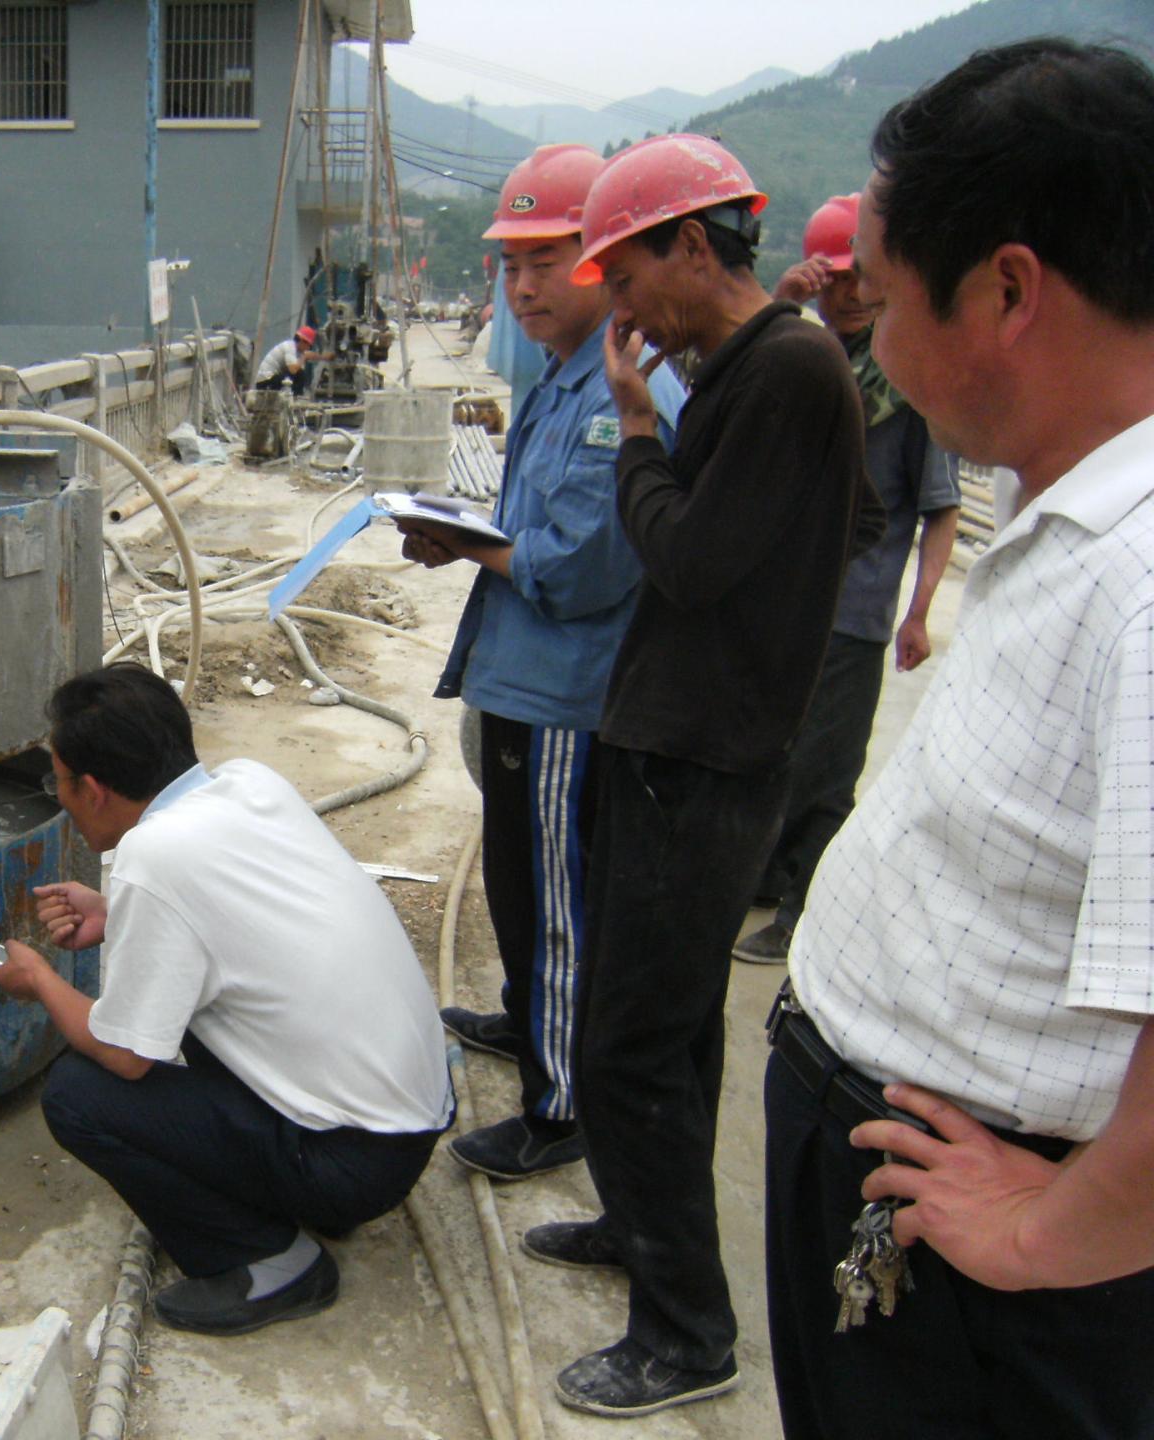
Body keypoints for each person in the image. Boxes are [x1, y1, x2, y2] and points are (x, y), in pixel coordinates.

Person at [767, 40, 1154, 1439]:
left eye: (878, 296)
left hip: (977, 1269)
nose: (866, 339)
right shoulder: (1071, 508)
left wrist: (1052, 1233)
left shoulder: (1144, 578)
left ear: (1005, 290)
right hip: (894, 1165)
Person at [525, 133, 877, 1417]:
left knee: (628, 1046)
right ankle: (641, 1222)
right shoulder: (753, 369)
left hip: (705, 761)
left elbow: (686, 557)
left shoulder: (787, 370)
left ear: (691, 245)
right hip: (674, 747)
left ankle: (686, 1333)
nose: (625, 313)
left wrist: (634, 427)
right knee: (665, 1032)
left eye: (627, 280)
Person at [0, 664, 452, 1336]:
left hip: (354, 1163)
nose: (58, 795)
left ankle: (269, 1261)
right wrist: (118, 915)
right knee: (183, 1008)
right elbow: (236, 918)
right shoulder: (250, 783)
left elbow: (124, 1057)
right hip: (405, 1121)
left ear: (93, 789)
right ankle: (299, 1189)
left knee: (78, 1096)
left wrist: (39, 981)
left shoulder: (153, 856)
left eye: (57, 781)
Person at [398, 144, 685, 1183]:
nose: (521, 287)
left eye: (545, 262)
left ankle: (561, 1103)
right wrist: (464, 537)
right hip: (523, 679)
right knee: (519, 886)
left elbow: (579, 570)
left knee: (557, 901)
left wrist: (472, 544)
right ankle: (529, 1021)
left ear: (603, 260)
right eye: (509, 265)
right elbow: (533, 531)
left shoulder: (621, 393)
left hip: (569, 695)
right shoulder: (563, 376)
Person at [734, 194, 961, 965]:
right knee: (774, 755)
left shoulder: (908, 386)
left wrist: (918, 611)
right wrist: (779, 303)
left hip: (854, 614)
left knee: (825, 773)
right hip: (784, 603)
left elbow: (939, 508)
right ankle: (770, 878)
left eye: (858, 280)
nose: (849, 295)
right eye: (832, 281)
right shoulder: (800, 360)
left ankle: (804, 912)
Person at [253, 324, 320, 389]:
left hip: (270, 378)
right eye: (309, 345)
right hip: (265, 380)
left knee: (299, 373)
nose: (308, 348)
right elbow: (292, 370)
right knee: (299, 374)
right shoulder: (290, 346)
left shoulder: (295, 350)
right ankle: (296, 394)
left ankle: (295, 393)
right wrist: (304, 357)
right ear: (302, 341)